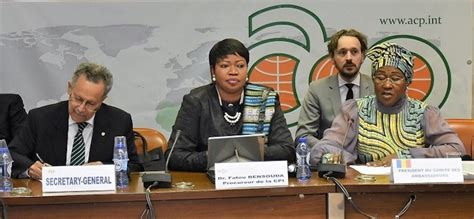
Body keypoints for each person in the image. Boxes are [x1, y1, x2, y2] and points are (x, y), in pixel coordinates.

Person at [309, 42, 465, 166]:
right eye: (380, 77)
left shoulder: (423, 113)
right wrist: (352, 160)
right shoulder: (356, 110)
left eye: (396, 78)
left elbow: (456, 150)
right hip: (364, 190)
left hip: (414, 191)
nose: (387, 85)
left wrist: (405, 157)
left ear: (407, 82)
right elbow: (321, 150)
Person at [166, 38, 295, 172]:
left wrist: (245, 154)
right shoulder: (196, 101)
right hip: (209, 183)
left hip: (256, 180)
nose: (233, 71)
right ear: (213, 71)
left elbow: (287, 150)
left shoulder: (264, 99)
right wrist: (217, 157)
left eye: (240, 65)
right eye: (225, 65)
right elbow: (174, 156)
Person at [9, 62, 140, 179]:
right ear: (70, 88)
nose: (81, 108)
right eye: (78, 99)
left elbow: (134, 166)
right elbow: (12, 154)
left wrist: (105, 168)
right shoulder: (40, 118)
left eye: (90, 103)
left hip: (99, 198)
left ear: (102, 100)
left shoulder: (119, 121)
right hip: (49, 199)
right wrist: (30, 168)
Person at [296, 29, 374, 146]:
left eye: (354, 52)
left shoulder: (375, 88)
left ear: (362, 56)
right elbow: (303, 136)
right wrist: (329, 151)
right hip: (331, 160)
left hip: (369, 162)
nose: (349, 58)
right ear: (332, 58)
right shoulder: (317, 89)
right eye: (342, 52)